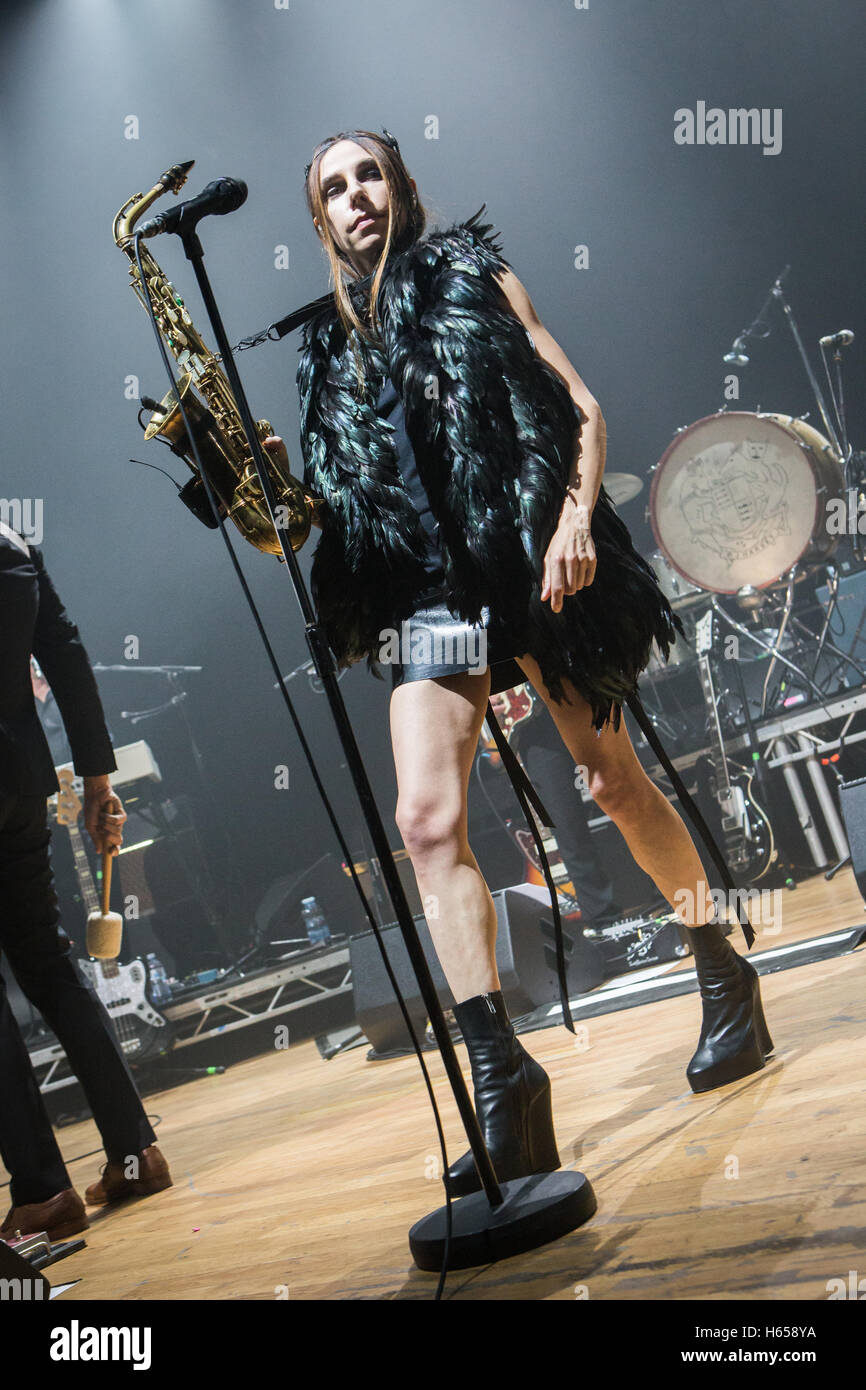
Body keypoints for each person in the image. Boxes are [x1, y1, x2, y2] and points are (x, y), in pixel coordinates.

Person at [263, 128, 773, 1197]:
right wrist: (273, 485)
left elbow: (580, 408)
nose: (356, 196)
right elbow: (332, 517)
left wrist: (574, 521)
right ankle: (503, 1077)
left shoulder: (470, 272)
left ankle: (723, 971)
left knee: (612, 780)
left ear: (398, 188)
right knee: (423, 822)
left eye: (368, 174)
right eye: (333, 187)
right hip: (429, 598)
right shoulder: (325, 351)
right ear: (318, 221)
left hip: (533, 548)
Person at [0, 523, 171, 1241]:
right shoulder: (11, 539)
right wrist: (99, 781)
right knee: (49, 964)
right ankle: (135, 1151)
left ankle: (41, 1191)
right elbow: (66, 657)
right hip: (17, 783)